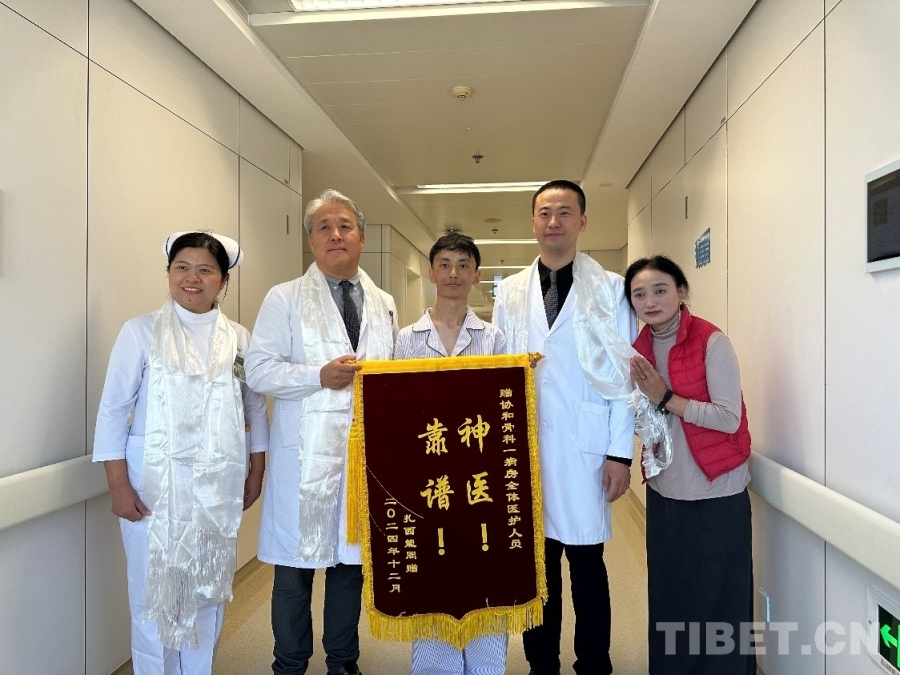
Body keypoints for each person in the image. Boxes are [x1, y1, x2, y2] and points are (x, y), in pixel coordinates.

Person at [93, 231, 268, 675]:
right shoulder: (141, 332)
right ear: (169, 273)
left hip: (217, 484)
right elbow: (113, 410)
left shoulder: (239, 339)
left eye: (205, 270)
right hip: (152, 487)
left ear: (223, 280)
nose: (192, 278)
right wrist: (118, 485)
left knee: (208, 588)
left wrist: (257, 469)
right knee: (155, 593)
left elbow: (253, 407)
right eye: (182, 268)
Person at [245, 189, 398, 675]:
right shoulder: (284, 297)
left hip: (360, 458)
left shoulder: (385, 303)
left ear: (361, 237)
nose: (335, 235)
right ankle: (289, 665)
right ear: (310, 240)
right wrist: (317, 376)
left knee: (350, 569)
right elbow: (258, 370)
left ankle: (342, 663)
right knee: (294, 573)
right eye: (324, 227)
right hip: (303, 458)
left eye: (345, 225)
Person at [492, 180, 636, 675]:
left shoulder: (612, 289)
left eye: (564, 212)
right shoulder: (510, 292)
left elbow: (624, 376)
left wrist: (620, 453)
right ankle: (542, 664)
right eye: (545, 213)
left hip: (587, 449)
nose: (554, 221)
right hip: (526, 448)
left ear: (582, 221)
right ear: (533, 223)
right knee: (538, 570)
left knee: (588, 566)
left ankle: (594, 663)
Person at [625, 255, 754, 675]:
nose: (650, 301)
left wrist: (666, 397)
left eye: (660, 290)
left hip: (717, 495)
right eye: (639, 294)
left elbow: (728, 417)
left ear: (681, 292)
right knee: (671, 599)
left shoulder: (711, 341)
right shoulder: (637, 350)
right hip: (666, 494)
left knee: (720, 603)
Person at [394, 231, 508, 675]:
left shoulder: (493, 338)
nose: (454, 273)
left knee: (483, 571)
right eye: (445, 264)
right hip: (427, 480)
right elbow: (397, 411)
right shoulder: (407, 339)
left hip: (480, 480)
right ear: (431, 273)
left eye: (463, 265)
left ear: (477, 275)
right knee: (432, 575)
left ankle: (486, 666)